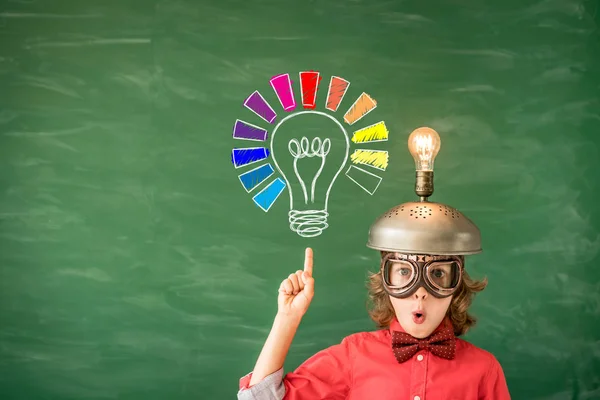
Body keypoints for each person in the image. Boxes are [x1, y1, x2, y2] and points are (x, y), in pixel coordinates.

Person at [237, 128, 512, 399]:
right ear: (385, 279)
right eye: (404, 272)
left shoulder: (484, 370)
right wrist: (287, 318)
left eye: (438, 274)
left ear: (458, 283)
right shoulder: (352, 356)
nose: (420, 291)